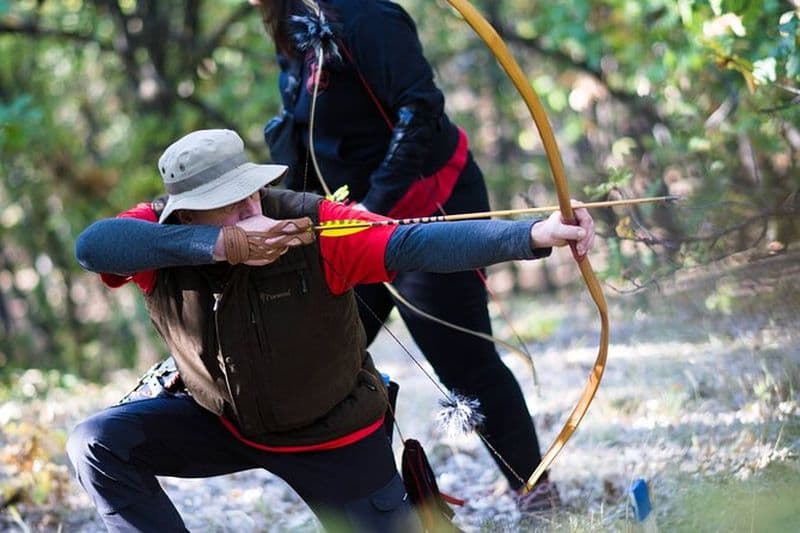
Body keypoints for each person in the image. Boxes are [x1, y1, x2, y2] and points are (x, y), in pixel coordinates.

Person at [67, 128, 595, 532]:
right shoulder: (157, 234)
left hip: (331, 434)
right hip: (221, 420)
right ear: (186, 215)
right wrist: (217, 248)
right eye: (227, 204)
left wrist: (535, 234)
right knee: (96, 443)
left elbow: (414, 245)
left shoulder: (314, 225)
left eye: (250, 191)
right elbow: (93, 247)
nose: (251, 208)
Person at [252, 0, 560, 508]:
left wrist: (373, 208)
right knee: (329, 361)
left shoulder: (370, 17)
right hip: (350, 223)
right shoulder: (290, 23)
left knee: (463, 359)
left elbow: (420, 109)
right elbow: (310, 131)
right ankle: (394, 502)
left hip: (427, 206)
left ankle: (534, 490)